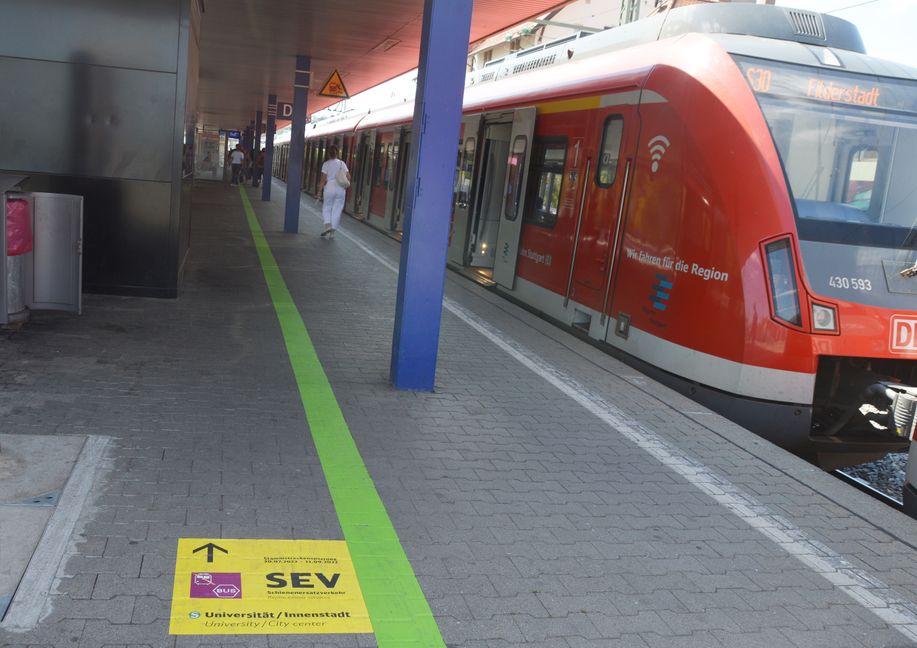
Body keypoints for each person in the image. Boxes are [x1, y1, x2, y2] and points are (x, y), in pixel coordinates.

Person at [318, 145, 350, 239]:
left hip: (329, 187)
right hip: (340, 188)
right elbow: (348, 177)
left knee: (327, 207)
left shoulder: (326, 164)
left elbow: (323, 179)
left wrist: (319, 191)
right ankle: (332, 232)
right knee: (337, 209)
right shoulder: (342, 164)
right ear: (337, 153)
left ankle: (327, 225)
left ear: (328, 154)